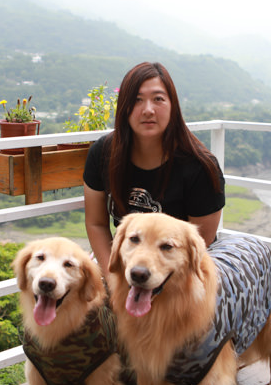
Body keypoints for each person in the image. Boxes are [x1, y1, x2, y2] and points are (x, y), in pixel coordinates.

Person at [83, 61, 225, 269]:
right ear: (124, 107)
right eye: (137, 100)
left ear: (172, 105)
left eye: (158, 99)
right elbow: (96, 224)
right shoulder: (103, 153)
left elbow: (199, 246)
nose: (148, 110)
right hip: (126, 264)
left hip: (176, 272)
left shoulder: (200, 167)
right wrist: (112, 277)